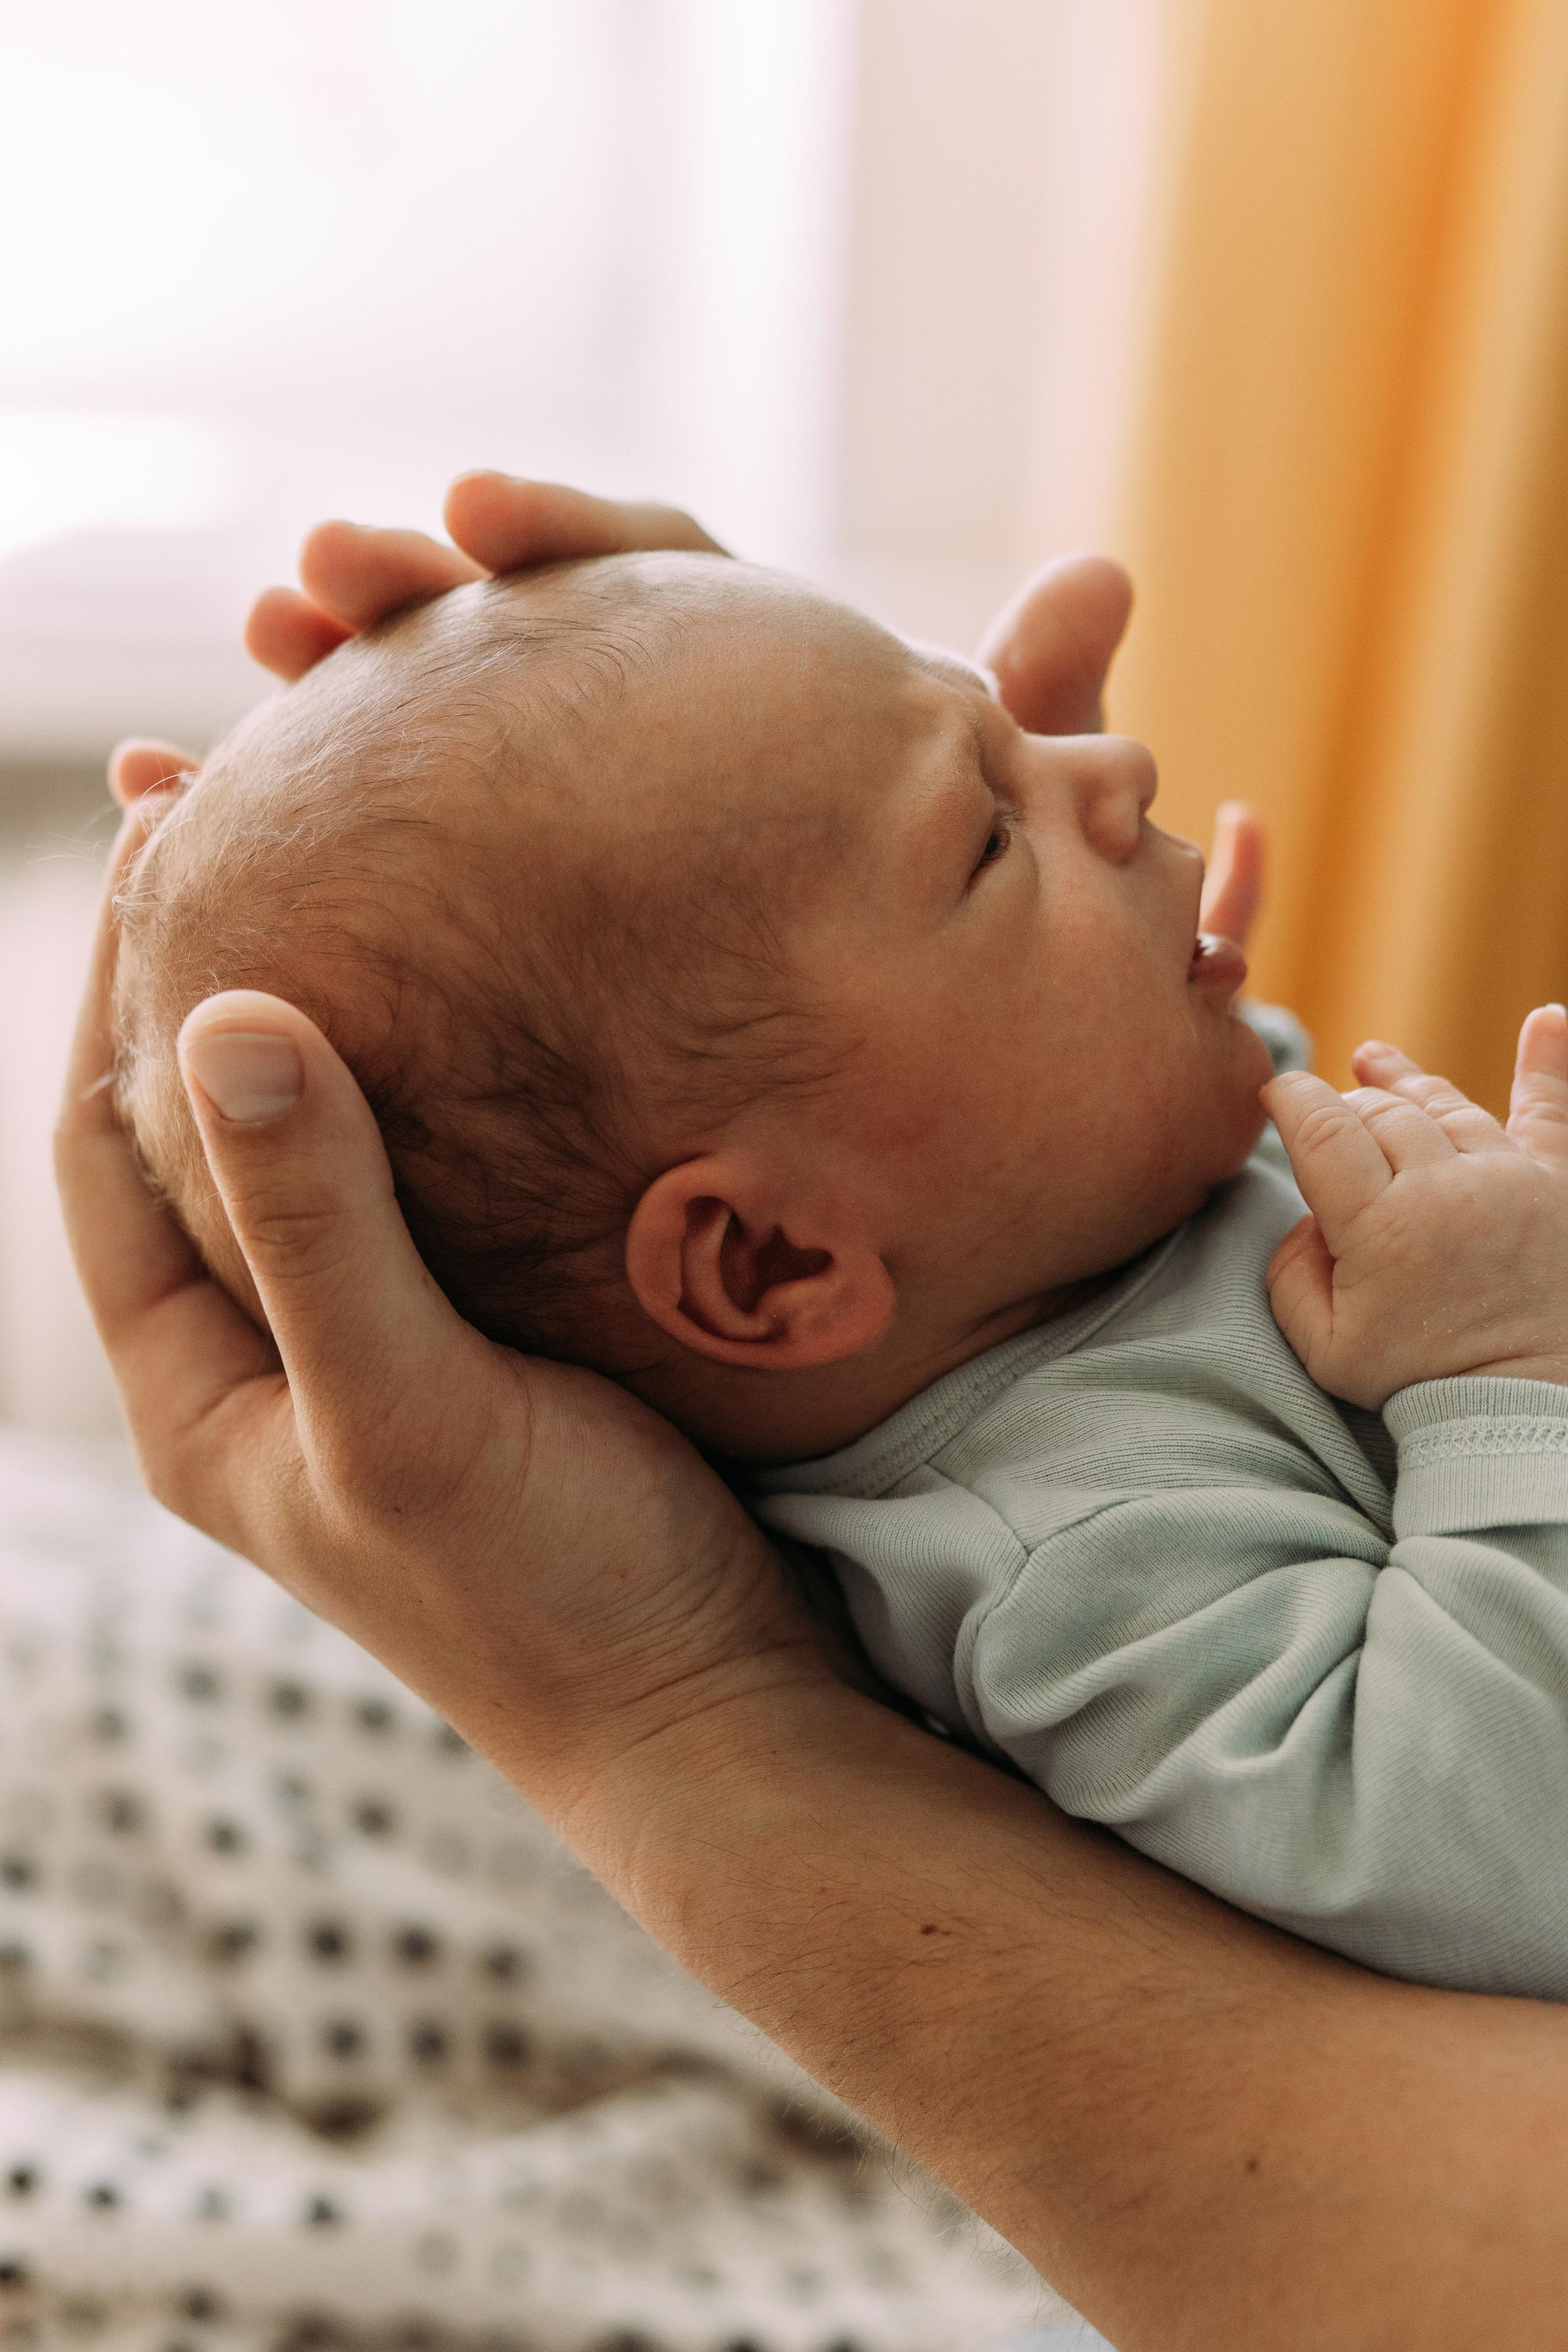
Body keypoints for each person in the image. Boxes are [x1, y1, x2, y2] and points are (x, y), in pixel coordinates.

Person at [58, 473, 1568, 2352]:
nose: (1122, 768)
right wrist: (1507, 1369)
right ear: (771, 1268)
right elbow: (1488, 1853)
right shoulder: (1064, 1555)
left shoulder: (1046, 1235)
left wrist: (1166, 1015)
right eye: (989, 838)